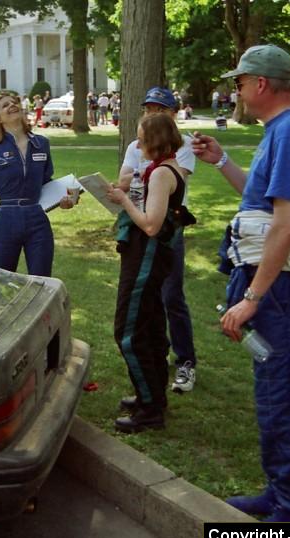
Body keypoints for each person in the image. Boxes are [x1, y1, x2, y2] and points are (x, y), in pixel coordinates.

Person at [191, 44, 290, 523]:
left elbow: (287, 224)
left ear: (260, 85)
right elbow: (263, 196)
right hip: (281, 289)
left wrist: (253, 297)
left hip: (284, 292)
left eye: (239, 82)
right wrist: (221, 160)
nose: (235, 91)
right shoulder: (285, 129)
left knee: (281, 396)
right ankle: (278, 492)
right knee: (273, 391)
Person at [106, 113, 193, 433]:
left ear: (155, 140)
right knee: (152, 325)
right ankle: (152, 395)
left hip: (147, 256)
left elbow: (151, 224)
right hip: (149, 256)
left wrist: (124, 200)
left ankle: (150, 409)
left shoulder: (161, 175)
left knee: (128, 331)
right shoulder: (166, 169)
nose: (137, 142)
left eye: (142, 137)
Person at [118, 87, 198, 393]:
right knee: (147, 300)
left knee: (171, 296)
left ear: (172, 114)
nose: (152, 115)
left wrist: (134, 180)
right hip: (139, 231)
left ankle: (185, 362)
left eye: (160, 110)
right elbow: (124, 179)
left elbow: (165, 180)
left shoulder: (182, 146)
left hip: (165, 228)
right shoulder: (136, 145)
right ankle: (157, 358)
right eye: (148, 109)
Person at [0, 93, 75, 277]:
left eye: (14, 103)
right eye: (5, 105)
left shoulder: (41, 144)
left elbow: (47, 182)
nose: (12, 106)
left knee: (41, 282)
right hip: (7, 219)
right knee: (1, 281)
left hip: (37, 220)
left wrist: (64, 199)